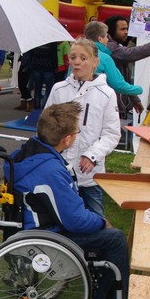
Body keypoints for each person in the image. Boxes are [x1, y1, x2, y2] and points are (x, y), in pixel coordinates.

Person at [7, 101, 130, 299]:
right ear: (67, 139)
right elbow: (75, 221)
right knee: (115, 238)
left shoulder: (27, 155)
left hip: (30, 225)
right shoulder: (51, 171)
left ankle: (103, 291)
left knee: (102, 230)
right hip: (47, 236)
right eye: (77, 132)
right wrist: (101, 222)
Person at [43, 38, 120, 217]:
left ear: (95, 62)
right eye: (73, 57)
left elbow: (111, 133)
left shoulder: (106, 94)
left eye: (83, 58)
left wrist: (92, 155)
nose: (77, 62)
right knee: (57, 217)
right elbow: (45, 126)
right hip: (59, 172)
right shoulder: (58, 89)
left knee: (95, 220)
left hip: (89, 176)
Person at [104, 14, 150, 118]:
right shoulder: (109, 47)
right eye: (122, 29)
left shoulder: (116, 46)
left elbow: (124, 79)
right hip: (110, 106)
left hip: (117, 105)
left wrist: (134, 99)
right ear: (111, 31)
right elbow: (131, 53)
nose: (126, 32)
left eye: (127, 28)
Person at [82, 21, 144, 100]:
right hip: (96, 100)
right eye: (106, 36)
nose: (107, 40)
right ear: (100, 39)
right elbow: (119, 85)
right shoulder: (105, 58)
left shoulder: (77, 55)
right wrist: (139, 89)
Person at [27, 41, 58, 110]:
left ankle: (37, 109)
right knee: (48, 90)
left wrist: (31, 64)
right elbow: (54, 55)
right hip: (48, 66)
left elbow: (31, 53)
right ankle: (44, 108)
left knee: (37, 90)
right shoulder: (52, 40)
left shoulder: (36, 40)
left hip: (36, 65)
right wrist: (55, 67)